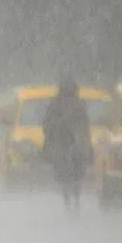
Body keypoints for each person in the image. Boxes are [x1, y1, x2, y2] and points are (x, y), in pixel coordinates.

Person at [41, 77, 93, 215]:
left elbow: (47, 127)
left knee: (68, 176)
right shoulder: (76, 104)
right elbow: (85, 126)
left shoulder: (57, 104)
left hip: (66, 145)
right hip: (68, 145)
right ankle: (72, 202)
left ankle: (70, 202)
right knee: (74, 176)